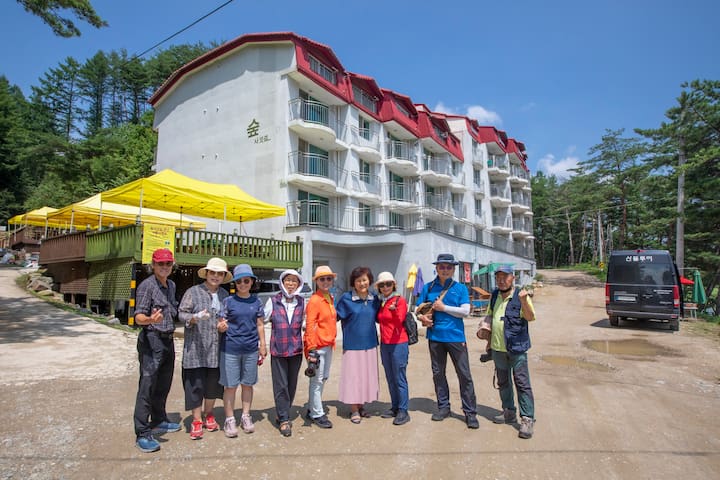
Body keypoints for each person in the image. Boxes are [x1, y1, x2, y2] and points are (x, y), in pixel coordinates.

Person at [416, 253, 479, 429]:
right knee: (438, 374)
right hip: (435, 337)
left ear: (453, 269)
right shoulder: (428, 287)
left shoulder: (460, 288)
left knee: (464, 375)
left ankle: (470, 413)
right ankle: (443, 407)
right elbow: (417, 308)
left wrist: (444, 308)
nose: (445, 270)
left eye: (448, 267)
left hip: (456, 337)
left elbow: (466, 311)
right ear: (436, 268)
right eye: (442, 266)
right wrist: (423, 319)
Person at [132, 248, 181, 453]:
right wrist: (151, 319)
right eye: (160, 264)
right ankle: (142, 432)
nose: (164, 267)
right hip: (151, 339)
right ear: (153, 265)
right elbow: (138, 317)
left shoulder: (171, 285)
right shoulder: (146, 286)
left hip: (168, 339)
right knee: (148, 384)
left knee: (163, 383)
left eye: (168, 264)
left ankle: (159, 419)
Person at [177, 257, 231, 440]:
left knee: (213, 385)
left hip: (216, 349)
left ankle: (209, 413)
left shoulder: (225, 295)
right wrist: (193, 317)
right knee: (195, 385)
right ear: (206, 274)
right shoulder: (193, 291)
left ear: (224, 276)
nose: (215, 276)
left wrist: (224, 325)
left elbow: (228, 317)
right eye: (212, 273)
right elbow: (181, 313)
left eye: (219, 274)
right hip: (196, 348)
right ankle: (196, 419)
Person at [482, 265, 537, 439]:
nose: (501, 280)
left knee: (522, 383)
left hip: (517, 349)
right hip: (498, 349)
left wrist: (523, 301)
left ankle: (527, 419)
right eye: (498, 277)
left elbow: (530, 317)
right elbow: (490, 317)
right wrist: (488, 340)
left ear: (512, 278)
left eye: (505, 277)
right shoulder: (495, 295)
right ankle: (508, 411)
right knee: (503, 383)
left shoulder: (521, 295)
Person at [218, 264, 267, 437]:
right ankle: (230, 419)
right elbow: (221, 322)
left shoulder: (257, 301)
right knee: (230, 386)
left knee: (247, 384)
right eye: (239, 281)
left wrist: (263, 345)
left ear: (252, 282)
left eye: (246, 281)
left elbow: (260, 324)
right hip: (230, 348)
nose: (243, 284)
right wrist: (221, 327)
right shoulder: (228, 301)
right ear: (235, 283)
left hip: (251, 349)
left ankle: (246, 416)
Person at [263, 269, 306, 437]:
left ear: (298, 284)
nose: (290, 283)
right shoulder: (273, 301)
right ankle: (284, 419)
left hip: (296, 349)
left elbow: (306, 323)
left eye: (294, 281)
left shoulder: (302, 302)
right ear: (282, 282)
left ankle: (283, 412)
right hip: (278, 350)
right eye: (287, 280)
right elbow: (261, 320)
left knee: (292, 384)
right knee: (280, 385)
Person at [336, 266, 380, 424]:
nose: (362, 283)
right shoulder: (346, 299)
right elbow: (334, 317)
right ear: (353, 283)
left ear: (370, 281)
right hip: (353, 345)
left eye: (365, 280)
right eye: (358, 280)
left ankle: (361, 405)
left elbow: (382, 318)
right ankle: (354, 409)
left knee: (366, 377)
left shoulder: (374, 299)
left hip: (370, 344)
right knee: (353, 378)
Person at [303, 266, 338, 429]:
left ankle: (312, 408)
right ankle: (317, 413)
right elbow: (309, 325)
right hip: (317, 347)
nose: (325, 282)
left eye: (328, 278)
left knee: (322, 379)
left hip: (328, 345)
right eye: (322, 279)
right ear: (316, 281)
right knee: (317, 381)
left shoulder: (329, 297)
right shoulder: (315, 300)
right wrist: (311, 349)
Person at [375, 271, 411, 426]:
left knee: (399, 377)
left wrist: (394, 309)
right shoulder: (382, 301)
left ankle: (403, 410)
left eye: (388, 284)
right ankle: (395, 406)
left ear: (393, 285)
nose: (385, 287)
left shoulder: (399, 300)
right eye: (382, 285)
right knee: (390, 377)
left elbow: (400, 319)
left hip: (399, 343)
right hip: (385, 344)